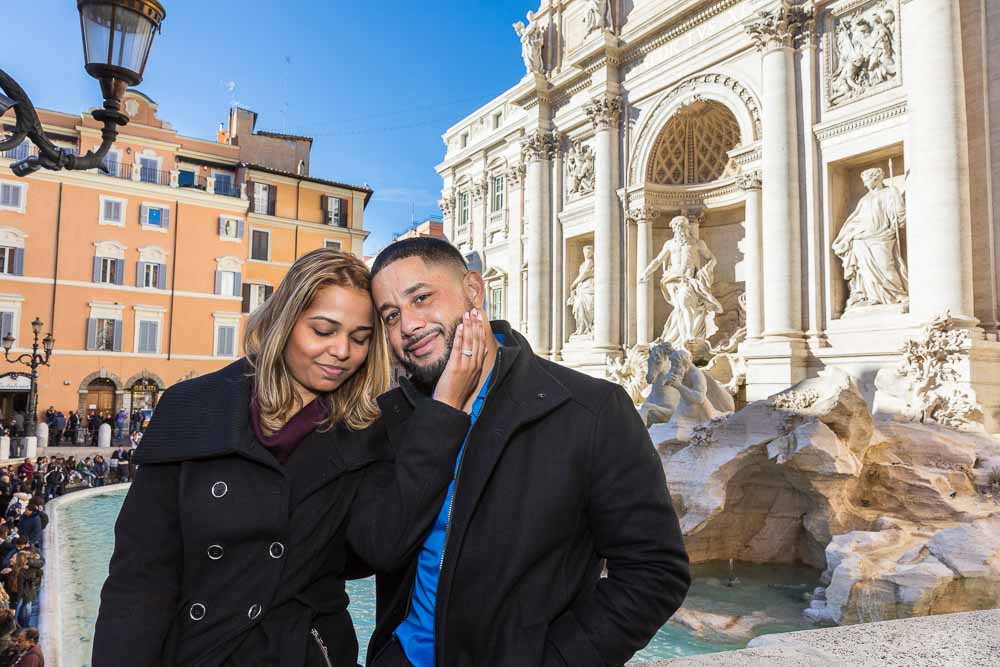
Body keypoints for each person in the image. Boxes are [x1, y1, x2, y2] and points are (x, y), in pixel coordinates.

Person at [93, 248, 490, 666]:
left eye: (359, 338)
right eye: (323, 330)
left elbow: (382, 548)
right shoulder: (191, 407)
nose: (342, 351)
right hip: (199, 649)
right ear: (284, 323)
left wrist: (445, 407)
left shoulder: (367, 429)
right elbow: (138, 577)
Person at [365, 238, 690, 666]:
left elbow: (655, 571)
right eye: (391, 316)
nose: (408, 325)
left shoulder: (591, 410)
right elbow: (374, 549)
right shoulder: (393, 419)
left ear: (474, 290)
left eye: (421, 298)